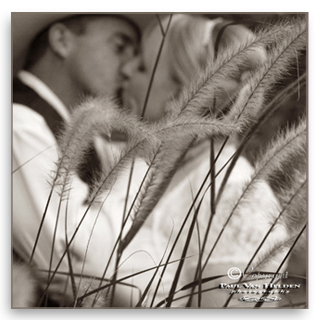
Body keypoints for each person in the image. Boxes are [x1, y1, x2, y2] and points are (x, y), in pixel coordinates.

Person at [120, 14, 288, 307]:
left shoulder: (239, 200)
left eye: (143, 65)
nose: (126, 69)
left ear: (185, 96)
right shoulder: (138, 171)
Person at [12, 13, 171, 308]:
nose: (128, 70)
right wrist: (140, 157)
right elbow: (76, 256)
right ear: (61, 40)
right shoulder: (16, 124)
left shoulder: (88, 141)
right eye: (119, 47)